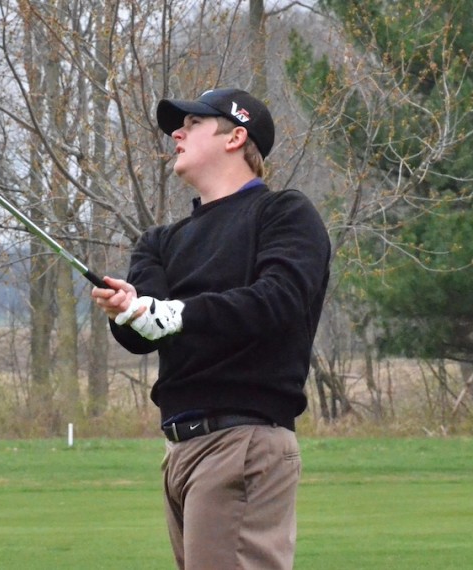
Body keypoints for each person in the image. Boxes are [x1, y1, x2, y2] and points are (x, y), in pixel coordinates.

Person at [91, 88, 331, 570]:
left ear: (236, 136)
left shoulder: (283, 213)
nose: (177, 133)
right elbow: (142, 335)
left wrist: (177, 314)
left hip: (243, 441)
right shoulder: (159, 242)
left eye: (193, 124)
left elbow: (279, 300)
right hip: (180, 452)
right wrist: (128, 310)